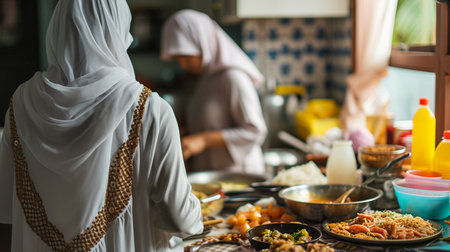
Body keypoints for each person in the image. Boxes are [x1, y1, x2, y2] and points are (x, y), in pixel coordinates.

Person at [0, 0, 203, 251]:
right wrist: (198, 213)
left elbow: (7, 208)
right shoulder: (151, 110)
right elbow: (180, 217)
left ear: (58, 29)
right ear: (120, 29)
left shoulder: (20, 105)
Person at [161, 9, 268, 175]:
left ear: (203, 43)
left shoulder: (233, 77)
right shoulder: (204, 79)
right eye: (177, 58)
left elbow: (255, 131)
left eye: (187, 56)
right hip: (212, 178)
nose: (182, 64)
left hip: (240, 179)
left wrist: (203, 140)